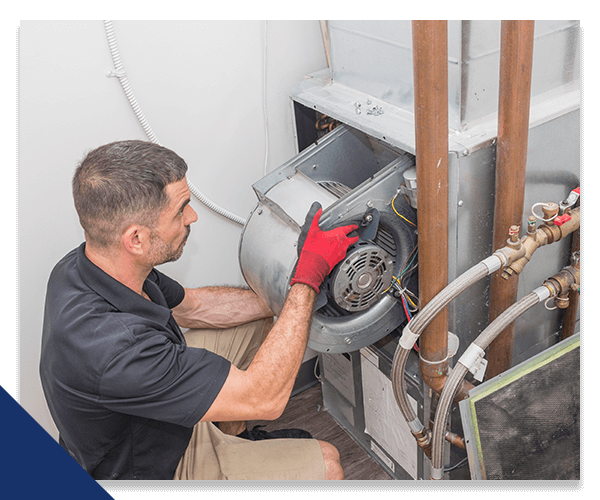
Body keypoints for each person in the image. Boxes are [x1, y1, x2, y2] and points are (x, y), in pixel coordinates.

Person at [39, 140, 358, 480]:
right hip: (152, 467)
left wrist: (290, 284)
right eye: (181, 210)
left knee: (258, 317)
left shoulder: (84, 267)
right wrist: (308, 278)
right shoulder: (116, 351)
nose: (192, 216)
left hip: (151, 414)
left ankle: (233, 437)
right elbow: (266, 399)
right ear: (136, 239)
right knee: (328, 464)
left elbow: (195, 307)